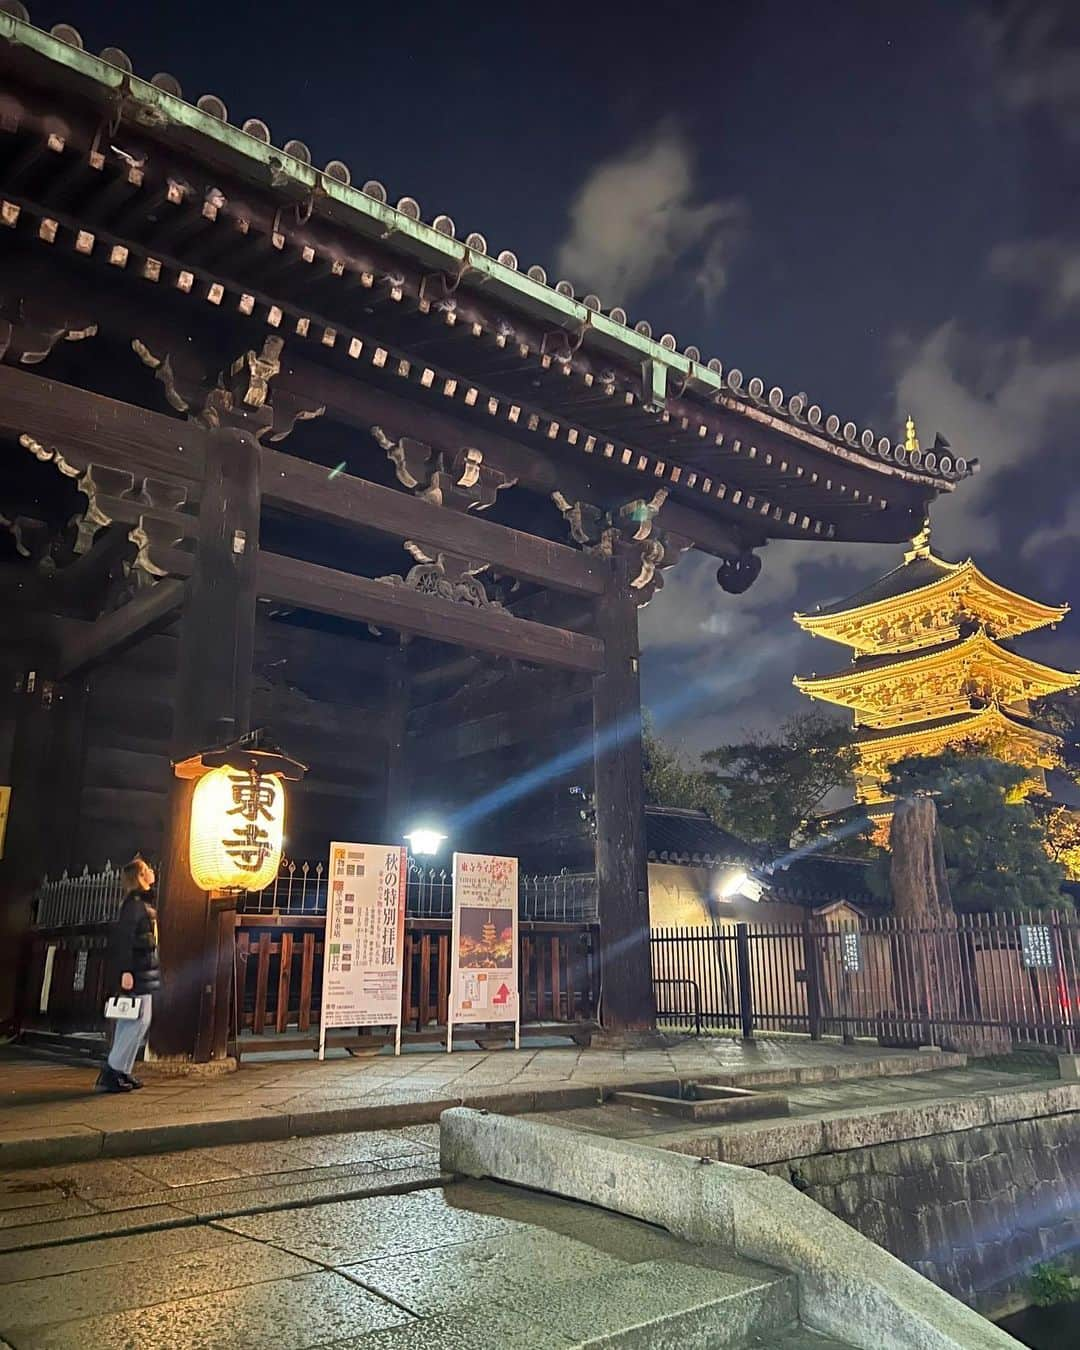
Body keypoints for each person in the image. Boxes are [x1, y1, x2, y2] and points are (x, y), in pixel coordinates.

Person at [96, 856, 160, 1094]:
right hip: (137, 971)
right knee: (138, 1020)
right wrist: (126, 970)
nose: (152, 871)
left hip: (142, 969)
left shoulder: (140, 903)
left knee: (132, 1021)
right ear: (141, 876)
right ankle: (113, 1070)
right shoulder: (135, 905)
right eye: (148, 869)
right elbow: (124, 940)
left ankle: (121, 1069)